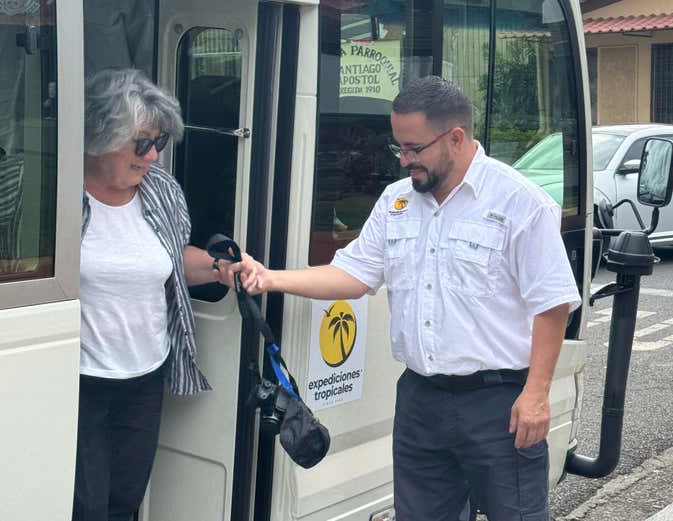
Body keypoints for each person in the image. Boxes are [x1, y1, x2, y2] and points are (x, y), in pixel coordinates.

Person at [241, 75, 582, 520]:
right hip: (421, 401)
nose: (403, 161)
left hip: (498, 403)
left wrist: (536, 393)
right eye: (398, 147)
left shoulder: (519, 202)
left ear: (455, 138)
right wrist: (269, 278)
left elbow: (552, 303)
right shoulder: (396, 202)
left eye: (414, 149)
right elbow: (353, 274)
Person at [75, 68, 255, 521]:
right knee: (83, 507)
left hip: (144, 379)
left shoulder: (161, 190)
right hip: (78, 382)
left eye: (159, 142)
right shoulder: (55, 192)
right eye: (142, 143)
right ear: (101, 134)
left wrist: (220, 267)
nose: (153, 155)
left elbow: (172, 259)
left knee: (123, 504)